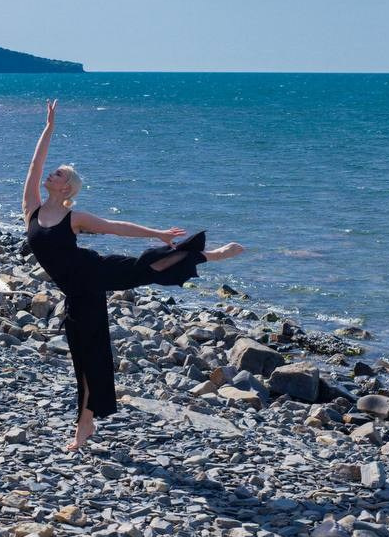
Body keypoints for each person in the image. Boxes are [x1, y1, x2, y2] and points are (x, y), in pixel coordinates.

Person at [23, 100, 245, 451]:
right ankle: (88, 422)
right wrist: (48, 127)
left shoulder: (74, 217)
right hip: (79, 295)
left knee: (147, 266)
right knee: (86, 354)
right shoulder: (32, 211)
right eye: (54, 172)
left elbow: (114, 227)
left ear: (67, 189)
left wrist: (156, 232)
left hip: (96, 271)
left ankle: (210, 255)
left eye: (60, 174)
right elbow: (34, 165)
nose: (52, 174)